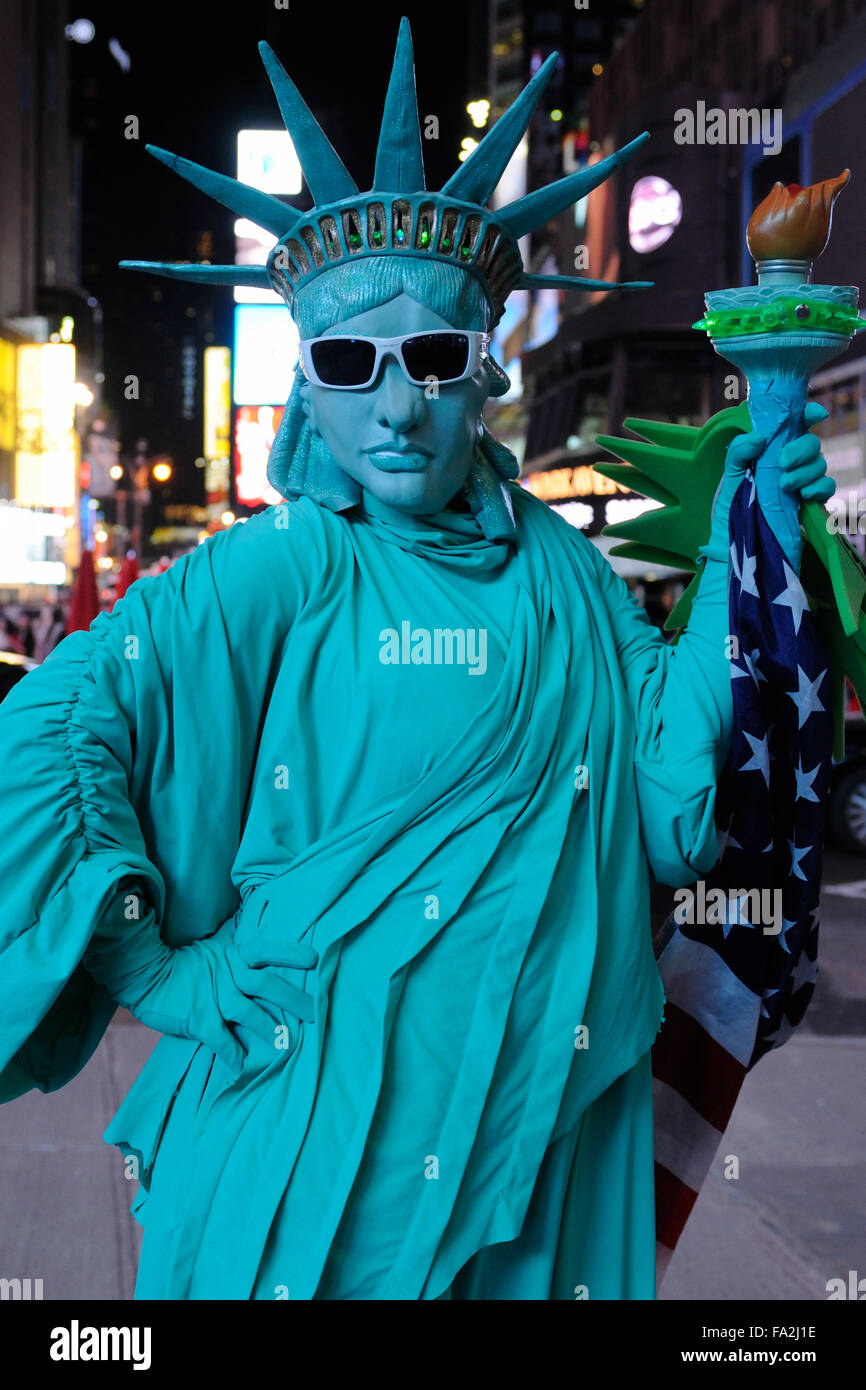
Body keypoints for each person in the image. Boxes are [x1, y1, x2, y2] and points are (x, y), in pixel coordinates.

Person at [0, 22, 837, 1300]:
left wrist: (746, 542)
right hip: (302, 1157)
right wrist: (151, 963)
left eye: (435, 359)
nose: (396, 406)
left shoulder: (565, 573)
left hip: (529, 1160)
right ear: (309, 388)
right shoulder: (288, 560)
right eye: (350, 363)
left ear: (485, 370)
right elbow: (59, 720)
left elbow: (673, 814)